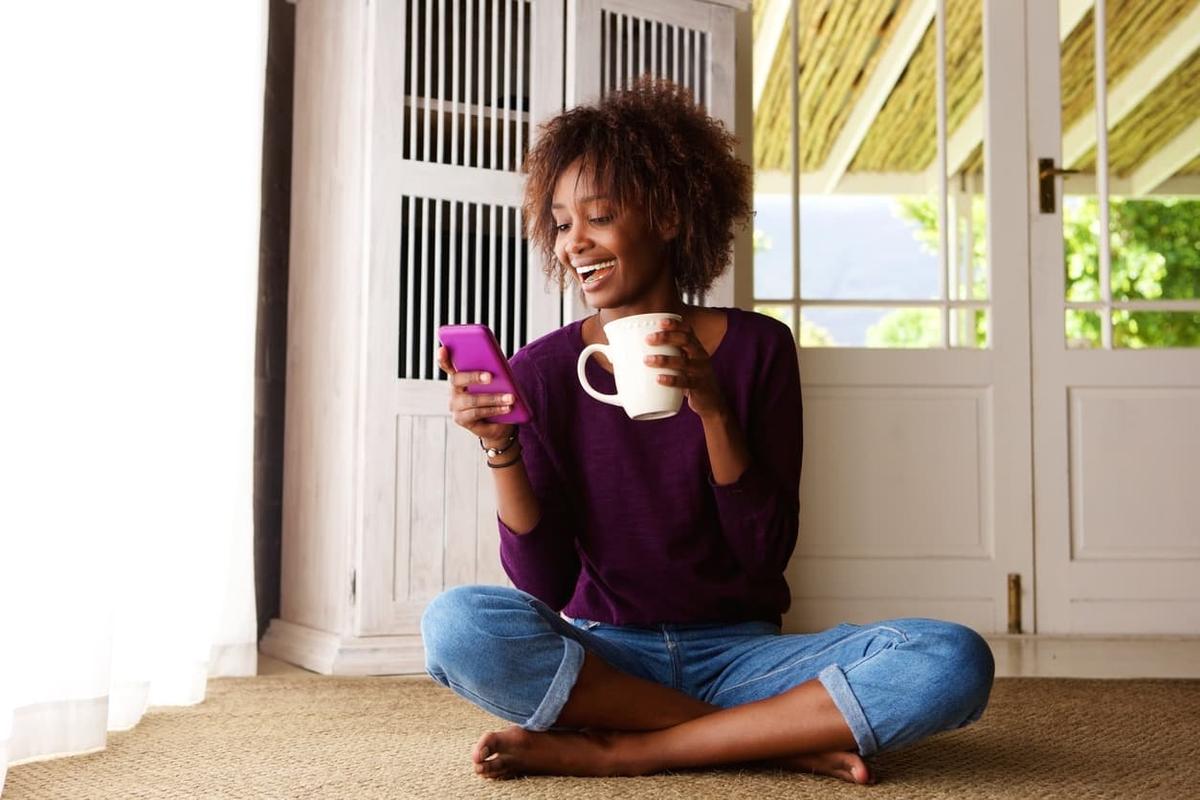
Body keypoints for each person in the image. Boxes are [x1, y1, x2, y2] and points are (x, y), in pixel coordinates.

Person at [421, 76, 993, 785]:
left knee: (952, 658)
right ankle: (777, 741)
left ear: (666, 215)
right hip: (608, 658)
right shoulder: (542, 370)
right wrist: (499, 444)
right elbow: (546, 583)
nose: (576, 245)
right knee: (456, 625)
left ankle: (629, 746)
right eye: (562, 225)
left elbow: (763, 554)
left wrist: (712, 407)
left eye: (597, 217)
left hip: (745, 659)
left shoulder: (758, 350)